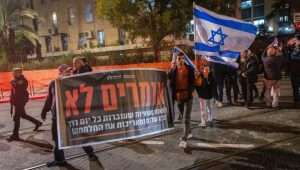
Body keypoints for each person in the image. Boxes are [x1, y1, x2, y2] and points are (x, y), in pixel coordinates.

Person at [41, 64, 101, 167]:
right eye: (66, 71)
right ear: (60, 72)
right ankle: (59, 160)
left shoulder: (75, 83)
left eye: (69, 70)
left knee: (80, 136)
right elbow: (49, 99)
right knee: (57, 139)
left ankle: (91, 154)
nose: (69, 72)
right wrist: (44, 110)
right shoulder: (53, 83)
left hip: (73, 115)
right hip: (57, 117)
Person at [7, 68, 42, 141]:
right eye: (13, 73)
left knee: (16, 117)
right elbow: (13, 89)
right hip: (17, 101)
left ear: (19, 73)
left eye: (14, 73)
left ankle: (15, 135)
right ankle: (37, 123)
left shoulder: (23, 80)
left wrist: (14, 83)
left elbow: (17, 86)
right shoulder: (16, 80)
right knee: (23, 115)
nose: (13, 74)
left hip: (20, 101)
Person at [168, 52, 195, 148]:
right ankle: (189, 132)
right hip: (179, 97)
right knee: (182, 115)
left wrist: (191, 91)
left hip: (188, 96)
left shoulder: (189, 69)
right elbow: (169, 80)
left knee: (186, 118)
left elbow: (193, 81)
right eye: (179, 58)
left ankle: (184, 139)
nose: (180, 60)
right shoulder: (173, 70)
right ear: (176, 60)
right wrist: (171, 68)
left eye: (182, 58)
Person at [262, 40, 284, 108]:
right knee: (276, 91)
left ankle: (268, 103)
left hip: (268, 78)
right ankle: (275, 104)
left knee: (268, 91)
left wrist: (266, 48)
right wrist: (279, 49)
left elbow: (262, 55)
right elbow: (282, 55)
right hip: (277, 77)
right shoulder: (278, 59)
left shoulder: (265, 60)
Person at [195, 63, 215, 128]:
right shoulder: (200, 76)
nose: (206, 71)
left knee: (208, 108)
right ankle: (204, 121)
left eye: (207, 70)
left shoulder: (211, 77)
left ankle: (209, 119)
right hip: (202, 96)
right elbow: (197, 85)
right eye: (205, 70)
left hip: (208, 96)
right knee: (203, 109)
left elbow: (213, 87)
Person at [287, 33, 300, 107]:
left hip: (295, 71)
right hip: (294, 71)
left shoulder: (292, 52)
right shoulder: (291, 50)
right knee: (295, 87)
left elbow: (290, 58)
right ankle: (296, 100)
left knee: (295, 87)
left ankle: (297, 100)